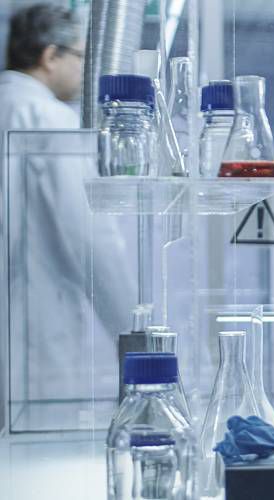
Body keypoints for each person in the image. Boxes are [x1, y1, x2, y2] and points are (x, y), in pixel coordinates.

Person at [1, 4, 136, 404]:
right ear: (49, 56)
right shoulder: (48, 118)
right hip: (34, 335)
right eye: (79, 56)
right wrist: (131, 332)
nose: (83, 69)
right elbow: (88, 233)